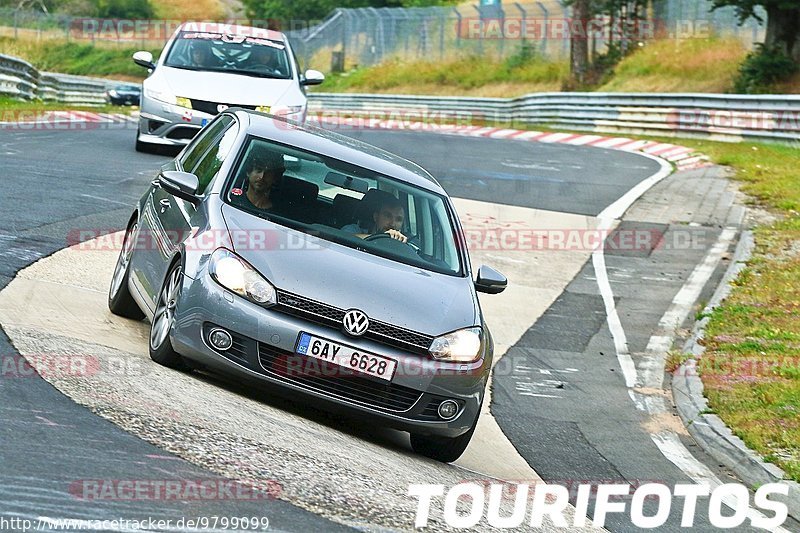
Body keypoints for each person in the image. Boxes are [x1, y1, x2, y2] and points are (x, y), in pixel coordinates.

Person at [342, 194, 408, 243]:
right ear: (376, 217)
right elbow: (343, 238)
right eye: (388, 216)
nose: (393, 223)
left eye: (398, 219)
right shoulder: (354, 229)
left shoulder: (404, 244)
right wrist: (384, 236)